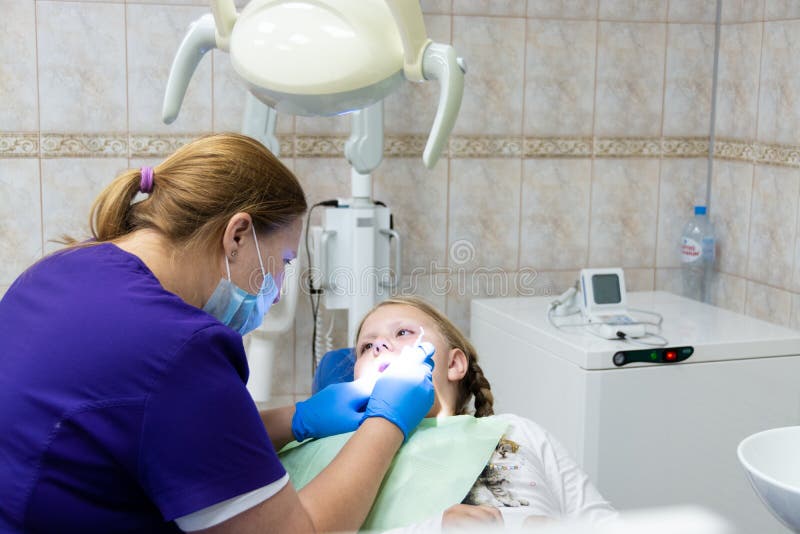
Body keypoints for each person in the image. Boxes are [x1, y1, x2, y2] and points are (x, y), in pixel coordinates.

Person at [0, 133, 435, 533]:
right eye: (283, 261)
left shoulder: (59, 270)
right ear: (238, 235)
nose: (279, 291)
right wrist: (387, 422)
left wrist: (295, 418)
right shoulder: (176, 348)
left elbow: (160, 433)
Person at [303, 296, 617, 531]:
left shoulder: (515, 432)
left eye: (402, 333)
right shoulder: (343, 459)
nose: (379, 345)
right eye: (365, 347)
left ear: (454, 364)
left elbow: (605, 522)